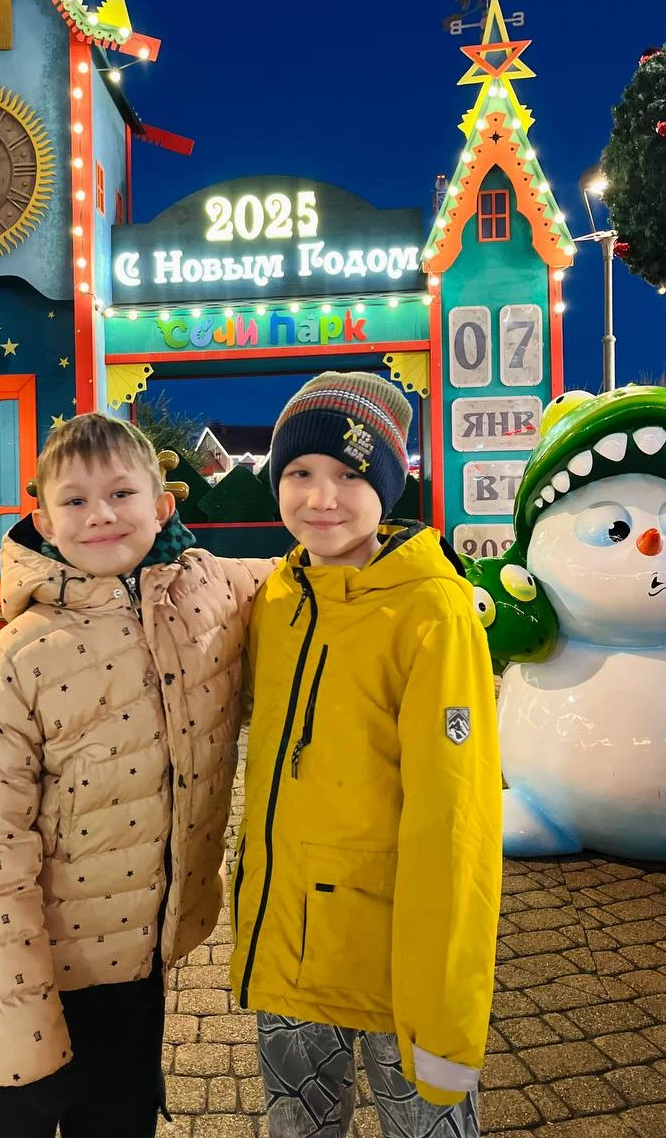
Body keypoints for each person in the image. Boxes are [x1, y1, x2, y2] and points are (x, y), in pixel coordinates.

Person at [0, 413, 271, 1138]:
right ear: (44, 520)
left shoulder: (208, 594)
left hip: (139, 961)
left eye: (122, 493)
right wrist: (15, 1023)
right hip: (33, 967)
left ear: (162, 506)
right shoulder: (19, 656)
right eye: (75, 500)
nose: (101, 514)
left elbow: (306, 573)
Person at [229, 371, 503, 1138]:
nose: (322, 498)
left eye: (350, 475)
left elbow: (458, 822)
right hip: (288, 950)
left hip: (397, 973)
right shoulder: (277, 599)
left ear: (389, 483)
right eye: (299, 473)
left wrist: (445, 1009)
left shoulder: (432, 611)